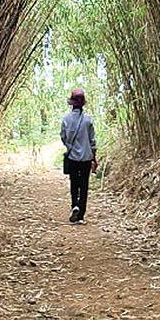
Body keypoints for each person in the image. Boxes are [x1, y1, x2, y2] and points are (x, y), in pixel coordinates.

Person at [60, 87, 98, 224]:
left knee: (74, 184)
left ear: (72, 103)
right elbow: (92, 141)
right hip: (86, 158)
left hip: (72, 158)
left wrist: (70, 147)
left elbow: (63, 137)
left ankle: (74, 205)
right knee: (84, 186)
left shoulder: (65, 119)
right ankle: (81, 215)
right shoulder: (88, 120)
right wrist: (94, 157)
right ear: (82, 104)